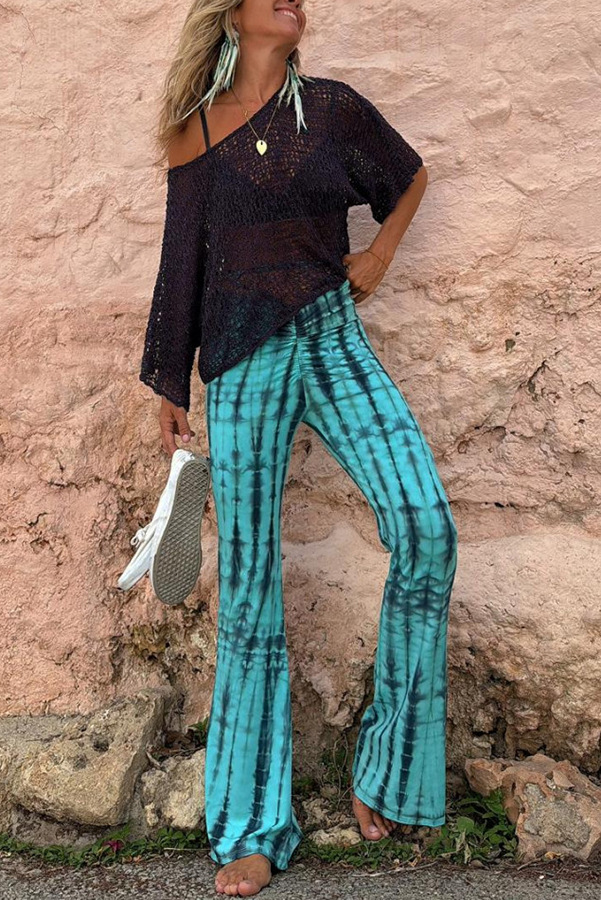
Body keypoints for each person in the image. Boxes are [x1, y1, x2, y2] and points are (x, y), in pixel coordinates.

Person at [139, 0, 458, 895]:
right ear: (231, 14)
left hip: (332, 338)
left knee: (426, 527)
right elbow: (182, 258)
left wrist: (379, 254)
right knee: (249, 586)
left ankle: (389, 773)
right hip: (240, 362)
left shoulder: (334, 109)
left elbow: (410, 177)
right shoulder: (196, 129)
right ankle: (250, 827)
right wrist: (169, 381)